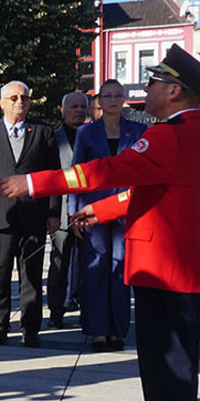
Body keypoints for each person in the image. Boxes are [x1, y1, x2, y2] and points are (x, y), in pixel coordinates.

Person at [0, 44, 200, 401]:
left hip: (168, 274)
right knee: (170, 372)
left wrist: (33, 183)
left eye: (155, 82)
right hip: (183, 272)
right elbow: (153, 190)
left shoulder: (168, 134)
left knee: (168, 373)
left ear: (175, 91)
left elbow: (107, 171)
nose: (147, 89)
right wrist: (103, 211)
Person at [0, 80, 60, 348]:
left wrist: (53, 213)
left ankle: (31, 329)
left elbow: (54, 177)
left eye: (25, 98)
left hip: (34, 217)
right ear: (2, 103)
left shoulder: (43, 132)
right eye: (14, 98)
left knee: (31, 277)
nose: (20, 101)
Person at [70, 79, 145, 351]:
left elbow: (142, 172)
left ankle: (118, 330)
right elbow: (76, 173)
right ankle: (98, 330)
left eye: (118, 95)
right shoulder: (86, 134)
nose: (113, 99)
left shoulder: (139, 131)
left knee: (120, 268)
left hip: (126, 209)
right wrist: (72, 210)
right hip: (92, 211)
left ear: (124, 99)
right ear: (99, 100)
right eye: (107, 95)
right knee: (95, 269)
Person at [47, 92, 88, 329]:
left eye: (83, 106)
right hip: (62, 213)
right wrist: (50, 213)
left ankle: (87, 310)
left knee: (88, 265)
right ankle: (56, 311)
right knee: (59, 264)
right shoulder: (53, 138)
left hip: (88, 212)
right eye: (73, 106)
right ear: (63, 110)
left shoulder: (94, 135)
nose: (79, 110)